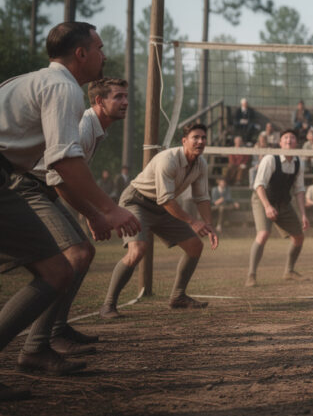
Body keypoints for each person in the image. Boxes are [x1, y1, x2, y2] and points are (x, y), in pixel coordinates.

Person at [1, 27, 139, 396]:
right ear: (81, 53)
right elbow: (62, 164)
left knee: (63, 265)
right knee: (61, 266)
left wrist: (96, 212)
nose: (104, 55)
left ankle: (42, 342)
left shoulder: (32, 80)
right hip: (19, 182)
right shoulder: (63, 89)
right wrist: (107, 211)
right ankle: (37, 346)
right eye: (99, 47)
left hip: (12, 177)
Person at [99, 121, 219, 319]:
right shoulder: (167, 159)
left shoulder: (201, 164)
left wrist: (209, 225)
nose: (200, 141)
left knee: (195, 246)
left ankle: (178, 297)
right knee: (137, 251)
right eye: (195, 138)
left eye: (203, 138)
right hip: (137, 202)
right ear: (184, 141)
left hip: (164, 207)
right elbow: (165, 199)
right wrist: (193, 222)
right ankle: (108, 305)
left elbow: (202, 198)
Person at [246, 129, 311, 286]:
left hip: (282, 202)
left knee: (299, 237)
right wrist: (267, 207)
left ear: (297, 143)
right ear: (280, 142)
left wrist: (303, 214)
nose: (289, 140)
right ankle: (251, 275)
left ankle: (289, 271)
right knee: (263, 234)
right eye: (286, 138)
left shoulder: (298, 162)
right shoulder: (270, 159)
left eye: (292, 137)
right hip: (263, 199)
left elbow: (299, 190)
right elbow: (258, 186)